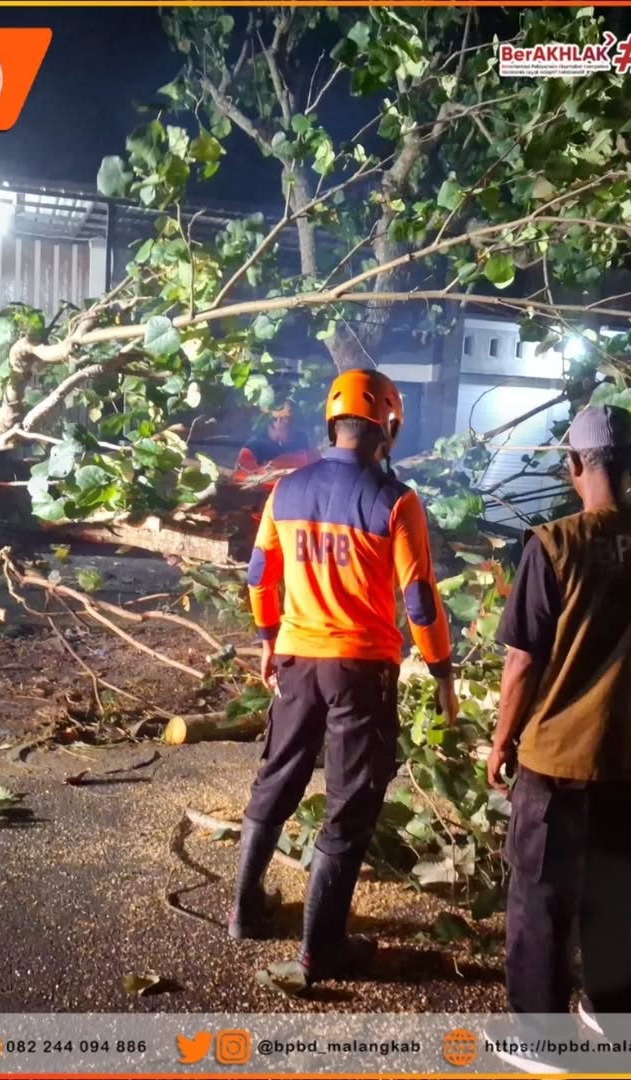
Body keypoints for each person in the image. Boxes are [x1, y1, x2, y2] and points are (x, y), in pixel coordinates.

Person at [485, 406, 631, 1070]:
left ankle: (543, 1042)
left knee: (542, 898)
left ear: (573, 466)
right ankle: (613, 1019)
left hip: (560, 762)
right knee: (618, 892)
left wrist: (500, 742)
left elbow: (522, 662)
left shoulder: (552, 544)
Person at [230, 368, 458, 990]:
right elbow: (419, 602)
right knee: (350, 804)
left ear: (332, 424)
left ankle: (245, 910)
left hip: (298, 662)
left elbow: (257, 576)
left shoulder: (286, 490)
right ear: (388, 428)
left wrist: (269, 641)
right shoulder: (397, 502)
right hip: (362, 670)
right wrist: (441, 673)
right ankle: (320, 952)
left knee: (277, 776)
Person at [235, 401, 315, 472]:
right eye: (288, 420)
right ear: (275, 421)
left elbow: (318, 469)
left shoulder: (302, 439)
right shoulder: (253, 448)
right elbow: (241, 479)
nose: (294, 425)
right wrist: (264, 473)